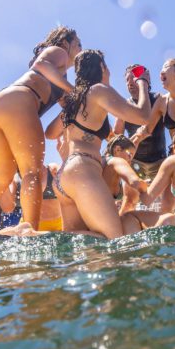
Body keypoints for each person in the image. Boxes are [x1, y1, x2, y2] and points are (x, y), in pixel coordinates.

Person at [0, 25, 82, 230]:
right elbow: (41, 64)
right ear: (65, 42)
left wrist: (79, 101)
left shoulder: (61, 78)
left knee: (0, 180)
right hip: (19, 99)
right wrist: (75, 90)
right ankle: (29, 229)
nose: (80, 50)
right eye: (78, 44)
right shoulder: (59, 52)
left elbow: (68, 108)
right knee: (32, 173)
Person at [54, 49, 151, 239]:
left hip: (64, 176)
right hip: (83, 169)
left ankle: (32, 235)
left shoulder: (74, 101)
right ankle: (30, 235)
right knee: (112, 239)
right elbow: (143, 115)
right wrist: (143, 83)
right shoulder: (98, 90)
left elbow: (50, 132)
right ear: (101, 67)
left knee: (77, 242)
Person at [113, 64, 167, 182]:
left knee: (168, 198)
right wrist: (120, 115)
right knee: (131, 197)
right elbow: (116, 136)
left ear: (144, 79)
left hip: (159, 160)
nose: (129, 82)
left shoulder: (158, 98)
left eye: (133, 77)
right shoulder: (125, 105)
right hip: (135, 161)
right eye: (127, 79)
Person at [103, 135, 148, 214]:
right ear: (117, 150)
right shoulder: (117, 161)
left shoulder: (105, 162)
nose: (130, 159)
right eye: (129, 155)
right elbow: (136, 183)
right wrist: (150, 186)